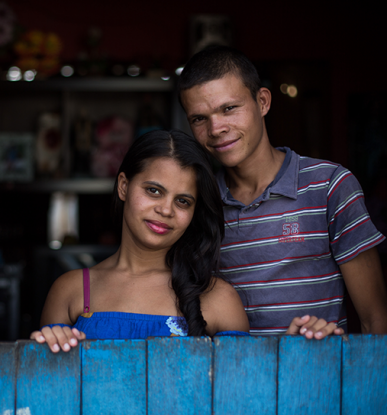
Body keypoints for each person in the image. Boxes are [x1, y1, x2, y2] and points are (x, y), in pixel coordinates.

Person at [30, 130, 339, 353]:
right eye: (153, 190)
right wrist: (49, 346)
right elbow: (45, 395)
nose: (165, 210)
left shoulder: (218, 298)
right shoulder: (71, 290)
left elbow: (243, 397)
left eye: (183, 201)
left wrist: (295, 352)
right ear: (124, 186)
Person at [178, 46, 387, 336]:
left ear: (262, 101)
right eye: (199, 118)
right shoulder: (197, 201)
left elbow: (375, 321)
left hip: (317, 373)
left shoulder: (330, 186)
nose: (216, 128)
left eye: (229, 109)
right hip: (233, 376)